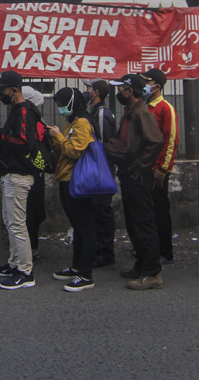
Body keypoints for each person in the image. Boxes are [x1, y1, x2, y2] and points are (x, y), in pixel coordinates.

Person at [105, 74, 164, 290]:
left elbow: (156, 141)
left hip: (138, 176)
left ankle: (152, 273)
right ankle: (141, 265)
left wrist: (142, 166)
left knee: (143, 223)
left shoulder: (141, 112)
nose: (119, 93)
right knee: (133, 223)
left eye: (121, 89)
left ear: (130, 91)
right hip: (130, 174)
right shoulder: (130, 113)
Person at [0, 70, 42, 290]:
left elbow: (24, 143)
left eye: (3, 89)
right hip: (13, 174)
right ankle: (15, 263)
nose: (1, 93)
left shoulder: (24, 111)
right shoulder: (18, 111)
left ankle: (25, 272)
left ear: (14, 90)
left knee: (18, 225)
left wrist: (0, 133)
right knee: (11, 222)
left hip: (20, 175)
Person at [47, 87, 98, 292]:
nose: (59, 108)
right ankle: (77, 267)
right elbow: (64, 149)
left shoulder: (83, 123)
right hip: (67, 179)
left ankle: (86, 275)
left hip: (79, 181)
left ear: (71, 103)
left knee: (85, 227)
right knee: (77, 226)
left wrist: (59, 137)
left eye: (61, 104)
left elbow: (76, 151)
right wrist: (54, 138)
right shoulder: (72, 122)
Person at [140, 68, 179, 265]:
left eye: (147, 82)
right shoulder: (146, 106)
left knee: (160, 211)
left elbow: (169, 140)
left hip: (157, 170)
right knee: (147, 211)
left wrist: (163, 169)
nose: (144, 86)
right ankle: (150, 248)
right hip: (145, 168)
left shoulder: (165, 108)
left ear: (157, 85)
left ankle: (165, 251)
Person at [83, 78, 117, 268]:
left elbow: (101, 145)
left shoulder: (102, 113)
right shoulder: (95, 112)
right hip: (97, 170)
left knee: (102, 211)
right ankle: (99, 249)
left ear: (96, 92)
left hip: (101, 171)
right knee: (96, 211)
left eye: (89, 88)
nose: (87, 91)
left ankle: (106, 253)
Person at [21, 86, 48, 260]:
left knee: (29, 211)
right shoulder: (38, 121)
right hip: (36, 172)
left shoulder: (34, 122)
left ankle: (31, 248)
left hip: (30, 171)